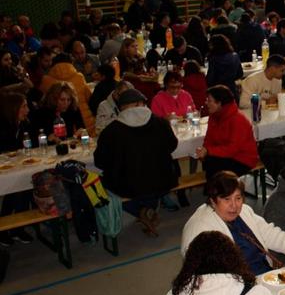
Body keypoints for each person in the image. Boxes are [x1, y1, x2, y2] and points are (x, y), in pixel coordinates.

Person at [94, 89, 178, 236]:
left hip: (128, 186)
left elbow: (100, 161)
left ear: (121, 108)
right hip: (164, 181)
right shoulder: (160, 123)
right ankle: (149, 208)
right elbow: (172, 145)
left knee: (102, 183)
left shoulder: (111, 131)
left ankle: (140, 211)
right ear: (142, 104)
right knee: (150, 186)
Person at [197, 85, 258, 179]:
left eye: (209, 101)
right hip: (226, 156)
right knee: (209, 161)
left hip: (243, 158)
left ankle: (218, 191)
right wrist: (204, 150)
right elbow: (209, 138)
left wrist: (209, 151)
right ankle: (217, 191)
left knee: (214, 165)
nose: (206, 103)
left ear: (219, 103)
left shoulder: (237, 119)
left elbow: (233, 148)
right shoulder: (214, 116)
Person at [0, 93, 35, 246]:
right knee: (12, 190)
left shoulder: (24, 124)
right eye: (24, 106)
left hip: (18, 164)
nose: (27, 110)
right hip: (4, 166)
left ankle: (17, 228)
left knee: (26, 185)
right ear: (13, 109)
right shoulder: (3, 125)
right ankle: (3, 229)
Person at [40, 52, 95, 134]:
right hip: (87, 123)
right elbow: (90, 99)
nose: (66, 103)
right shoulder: (79, 77)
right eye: (62, 100)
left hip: (75, 126)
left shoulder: (46, 80)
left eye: (68, 100)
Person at [205, 34, 243, 102]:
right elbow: (240, 74)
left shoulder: (213, 59)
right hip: (232, 90)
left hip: (218, 93)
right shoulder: (235, 56)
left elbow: (210, 79)